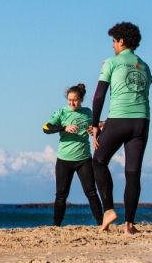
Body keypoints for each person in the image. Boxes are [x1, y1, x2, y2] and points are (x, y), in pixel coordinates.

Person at [91, 21, 152, 235]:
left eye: (114, 41)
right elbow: (138, 93)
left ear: (122, 41)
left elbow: (99, 96)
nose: (112, 46)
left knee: (98, 161)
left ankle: (108, 210)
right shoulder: (145, 66)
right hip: (142, 121)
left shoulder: (111, 62)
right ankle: (130, 225)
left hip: (118, 119)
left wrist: (95, 124)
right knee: (133, 172)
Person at [42, 83, 103, 226]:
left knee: (91, 192)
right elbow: (46, 128)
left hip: (84, 158)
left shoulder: (88, 112)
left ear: (81, 99)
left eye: (75, 100)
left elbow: (98, 125)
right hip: (64, 159)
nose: (72, 103)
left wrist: (95, 129)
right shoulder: (61, 112)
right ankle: (56, 225)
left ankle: (101, 223)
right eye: (69, 100)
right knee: (61, 195)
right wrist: (64, 127)